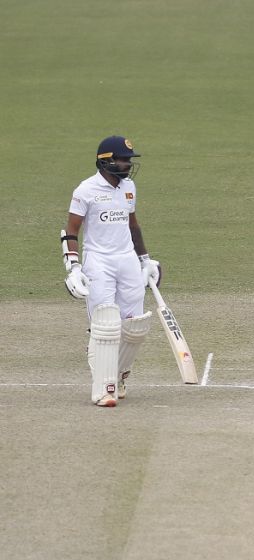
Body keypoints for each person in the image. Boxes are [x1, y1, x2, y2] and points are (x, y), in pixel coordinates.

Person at [62, 135, 163, 407]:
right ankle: (102, 388)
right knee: (106, 324)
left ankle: (118, 377)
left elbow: (133, 225)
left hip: (127, 259)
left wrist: (145, 260)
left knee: (134, 325)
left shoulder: (129, 187)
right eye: (122, 159)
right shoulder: (85, 190)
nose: (127, 165)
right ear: (105, 161)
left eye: (129, 160)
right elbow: (72, 230)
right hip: (99, 260)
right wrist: (73, 267)